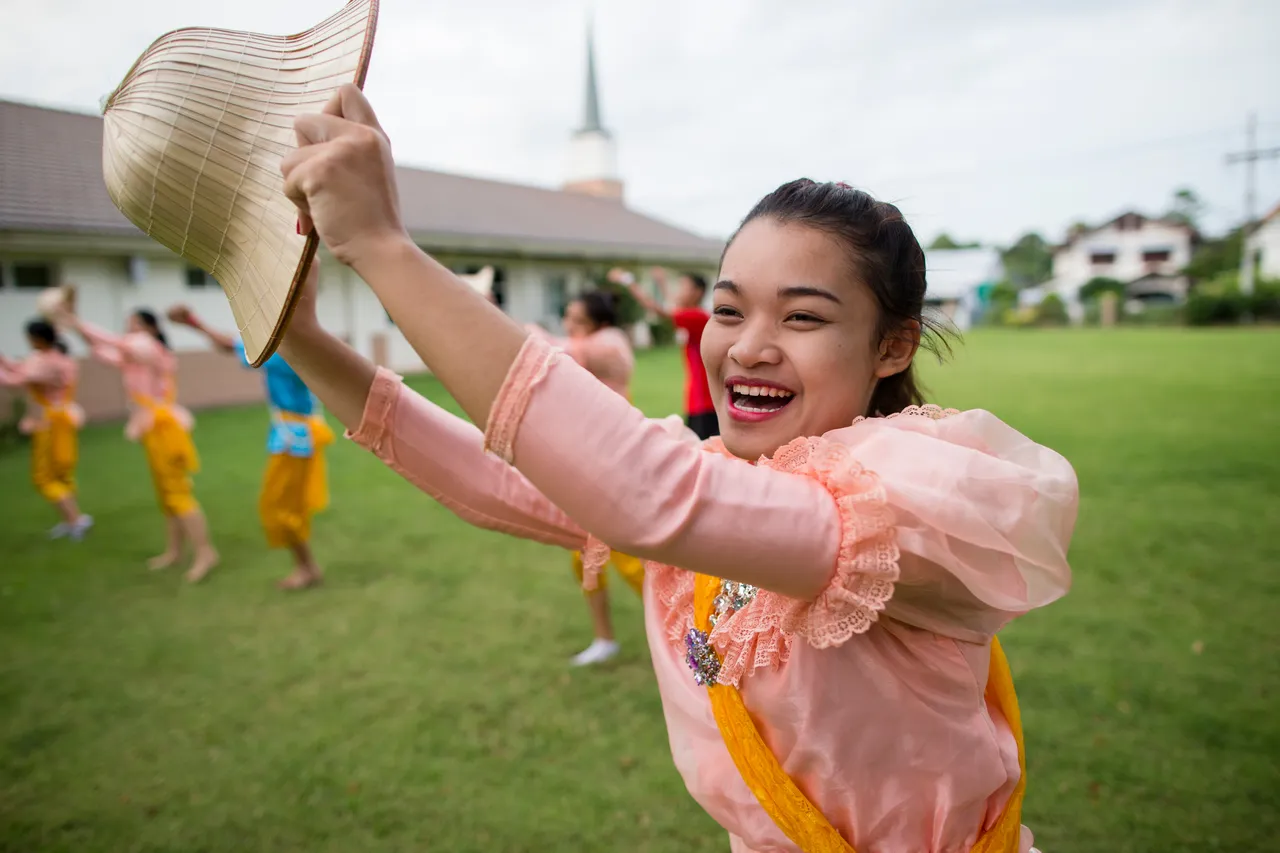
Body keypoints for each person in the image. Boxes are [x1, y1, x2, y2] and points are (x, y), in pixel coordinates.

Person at [276, 86, 1075, 852]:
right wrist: (302, 335)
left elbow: (649, 495)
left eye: (802, 316)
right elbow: (500, 478)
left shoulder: (907, 503)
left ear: (893, 345)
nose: (748, 345)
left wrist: (384, 248)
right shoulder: (713, 471)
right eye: (729, 310)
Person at [167, 305, 333, 590]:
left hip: (295, 437)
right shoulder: (289, 348)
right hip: (291, 433)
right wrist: (195, 323)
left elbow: (230, 345)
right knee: (282, 504)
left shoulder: (283, 354)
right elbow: (232, 345)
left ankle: (307, 568)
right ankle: (306, 566)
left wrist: (194, 323)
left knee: (282, 506)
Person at [55, 305, 219, 582]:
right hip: (152, 431)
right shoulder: (134, 357)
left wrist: (78, 324)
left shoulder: (153, 350)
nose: (131, 332)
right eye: (128, 326)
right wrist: (81, 331)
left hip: (166, 430)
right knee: (166, 495)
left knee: (178, 494)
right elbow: (105, 352)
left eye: (136, 326)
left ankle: (206, 552)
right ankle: (175, 551)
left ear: (152, 330)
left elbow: (119, 344)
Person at [526, 290, 646, 666]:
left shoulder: (610, 344)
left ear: (600, 323)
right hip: (583, 466)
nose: (569, 326)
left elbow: (551, 348)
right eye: (568, 318)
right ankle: (604, 638)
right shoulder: (589, 343)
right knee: (585, 556)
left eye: (577, 320)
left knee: (635, 561)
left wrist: (509, 321)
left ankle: (693, 635)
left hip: (615, 465)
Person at [0, 319, 93, 539]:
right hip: (62, 420)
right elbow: (22, 370)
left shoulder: (45, 362)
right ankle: (73, 519)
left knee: (44, 478)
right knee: (62, 473)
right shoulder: (58, 359)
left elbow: (17, 380)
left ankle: (75, 521)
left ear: (38, 338)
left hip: (48, 423)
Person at [610, 266, 719, 440]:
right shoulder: (692, 315)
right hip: (698, 399)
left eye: (683, 287)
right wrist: (661, 284)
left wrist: (627, 280)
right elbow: (672, 307)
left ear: (697, 292)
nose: (678, 292)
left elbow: (657, 309)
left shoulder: (697, 317)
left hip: (704, 402)